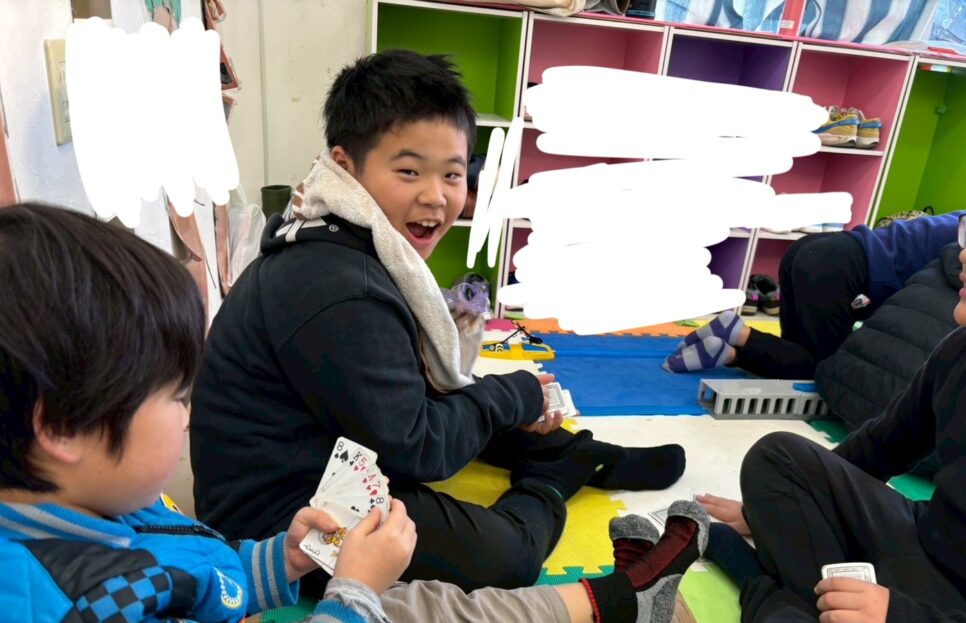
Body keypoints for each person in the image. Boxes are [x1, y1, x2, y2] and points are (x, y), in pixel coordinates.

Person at [0, 202, 711, 623]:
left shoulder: (77, 503)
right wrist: (353, 595)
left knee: (423, 609)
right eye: (175, 396)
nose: (190, 414)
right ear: (61, 427)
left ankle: (624, 597)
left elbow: (185, 574)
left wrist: (281, 560)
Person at [189, 49, 685, 594]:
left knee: (466, 400)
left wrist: (511, 399)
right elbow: (419, 448)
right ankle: (555, 475)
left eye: (452, 174)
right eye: (409, 171)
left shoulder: (346, 241)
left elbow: (413, 398)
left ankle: (582, 452)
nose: (436, 196)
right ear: (345, 166)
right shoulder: (342, 288)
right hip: (282, 518)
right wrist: (516, 393)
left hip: (334, 444)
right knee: (508, 556)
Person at [696, 140, 966, 623]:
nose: (965, 252)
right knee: (779, 458)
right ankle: (820, 613)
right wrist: (769, 509)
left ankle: (760, 583)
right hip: (925, 553)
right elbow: (876, 448)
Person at [664, 210, 962, 379]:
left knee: (796, 353)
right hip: (835, 269)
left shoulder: (962, 220)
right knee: (822, 370)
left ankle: (730, 333)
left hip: (815, 248)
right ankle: (733, 346)